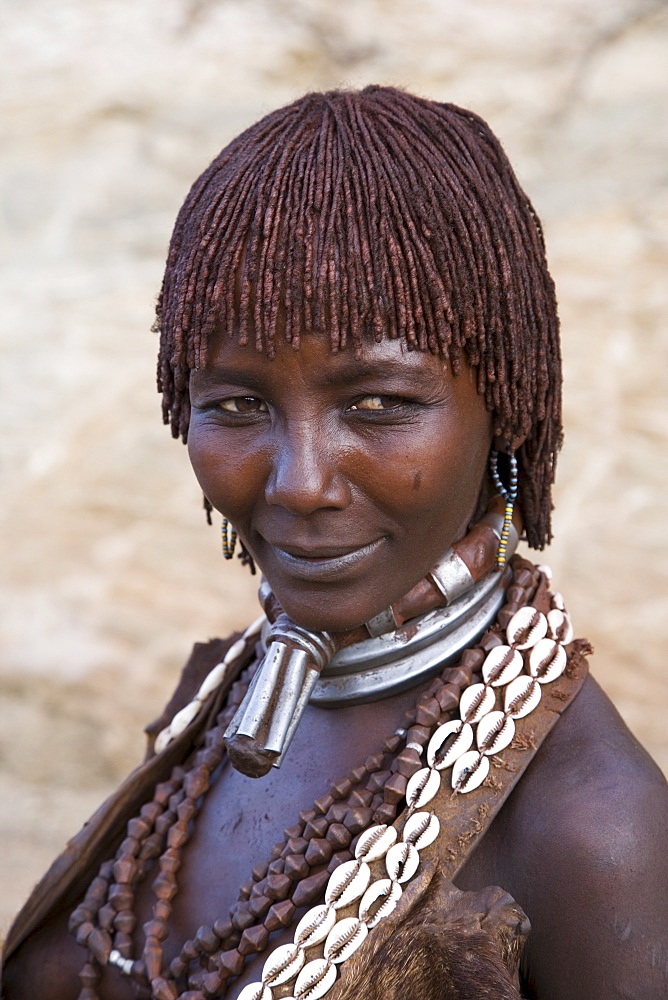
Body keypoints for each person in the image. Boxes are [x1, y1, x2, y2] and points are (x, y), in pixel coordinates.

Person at [2, 86, 667, 1000]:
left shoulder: (593, 833)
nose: (299, 483)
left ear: (507, 409)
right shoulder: (227, 697)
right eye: (237, 404)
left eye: (381, 404)